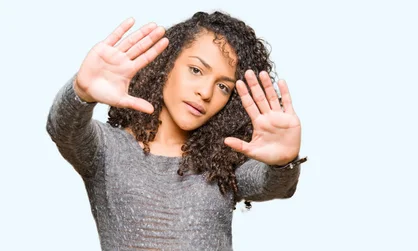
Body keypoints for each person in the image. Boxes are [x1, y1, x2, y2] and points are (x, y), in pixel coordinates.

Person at [46, 10, 306, 250]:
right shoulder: (107, 150)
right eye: (196, 70)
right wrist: (80, 92)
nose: (205, 92)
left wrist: (284, 163)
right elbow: (62, 129)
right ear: (167, 63)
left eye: (223, 87)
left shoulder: (223, 161)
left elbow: (274, 185)